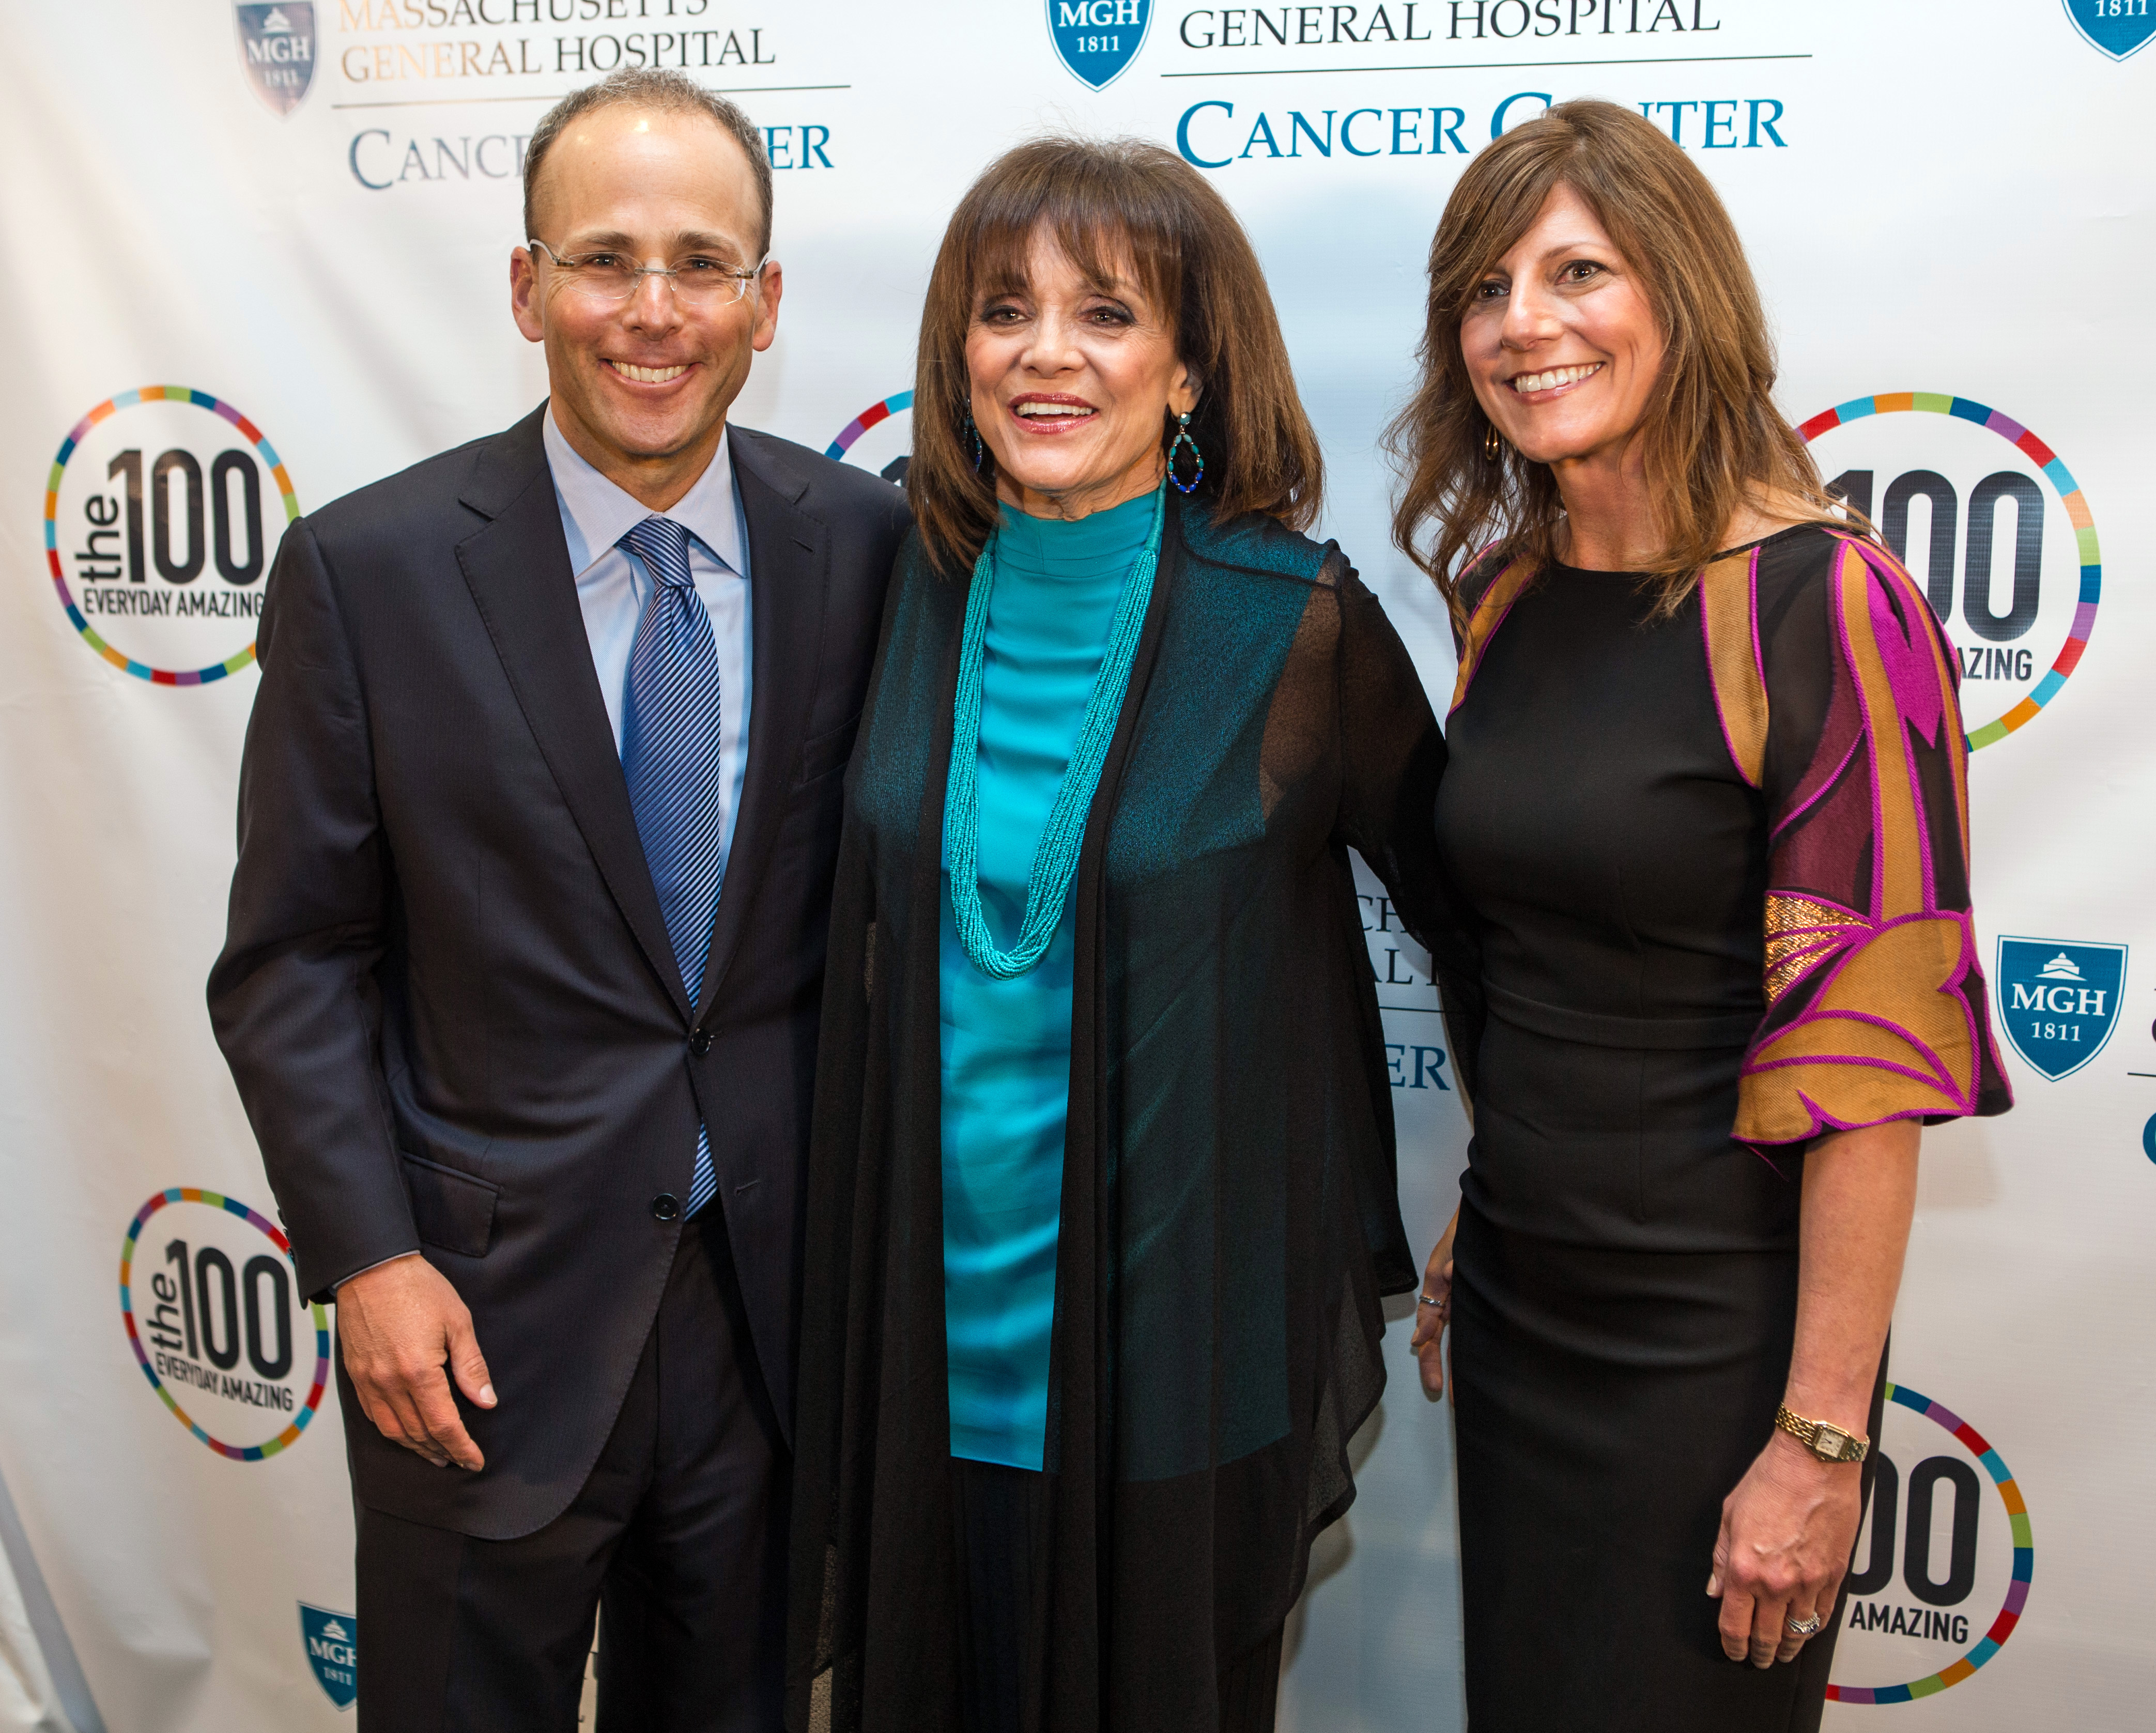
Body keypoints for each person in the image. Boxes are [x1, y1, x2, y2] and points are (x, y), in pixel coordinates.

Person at [207, 68, 910, 1733]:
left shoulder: (868, 547)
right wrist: (367, 1257)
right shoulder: (366, 572)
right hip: (472, 1336)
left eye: (699, 263)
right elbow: (291, 959)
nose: (650, 313)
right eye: (602, 260)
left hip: (773, 1327)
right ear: (526, 288)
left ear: (765, 302)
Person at [785, 137, 1449, 1733]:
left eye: (1106, 313)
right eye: (1004, 311)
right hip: (919, 1351)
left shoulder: (1290, 621)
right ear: (956, 352)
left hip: (1177, 1355)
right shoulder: (892, 577)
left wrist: (1546, 1174)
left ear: (1193, 364)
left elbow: (1488, 921)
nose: (1047, 354)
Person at [1390, 100, 2012, 1731]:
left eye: (1576, 270)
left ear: (1679, 292)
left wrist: (1818, 1436)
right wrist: (1486, 1194)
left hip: (1719, 1348)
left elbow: (1871, 1047)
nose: (1523, 322)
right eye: (1484, 287)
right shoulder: (1504, 599)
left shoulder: (1826, 602)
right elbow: (1534, 956)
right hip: (1523, 1301)